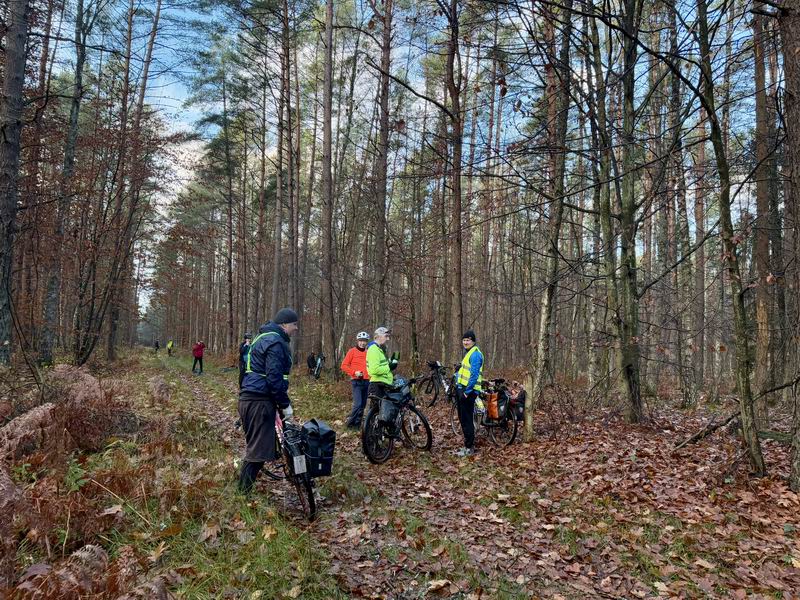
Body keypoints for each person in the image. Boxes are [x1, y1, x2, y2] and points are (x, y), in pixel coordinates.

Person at [237, 308, 298, 494]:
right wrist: (285, 404)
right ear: (284, 324)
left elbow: (244, 370)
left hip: (249, 398)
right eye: (294, 324)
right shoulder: (276, 342)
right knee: (257, 452)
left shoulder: (260, 338)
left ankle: (243, 492)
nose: (296, 328)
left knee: (257, 447)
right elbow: (274, 378)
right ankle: (242, 495)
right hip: (259, 402)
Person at [455, 329, 483, 457]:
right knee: (463, 418)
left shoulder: (475, 354)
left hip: (469, 391)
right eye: (464, 340)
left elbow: (474, 375)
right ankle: (467, 445)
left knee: (467, 420)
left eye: (468, 340)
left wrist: (467, 392)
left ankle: (469, 448)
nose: (465, 342)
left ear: (473, 341)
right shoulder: (468, 353)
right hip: (463, 389)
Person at [341, 332, 371, 429]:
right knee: (357, 404)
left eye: (365, 341)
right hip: (356, 381)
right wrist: (354, 372)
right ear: (357, 341)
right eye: (361, 341)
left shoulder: (368, 352)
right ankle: (349, 423)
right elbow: (344, 366)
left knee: (363, 405)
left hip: (367, 381)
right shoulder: (352, 351)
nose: (362, 343)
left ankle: (357, 425)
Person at [365, 327, 398, 404]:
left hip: (382, 385)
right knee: (376, 413)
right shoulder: (374, 349)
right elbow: (374, 370)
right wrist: (389, 367)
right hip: (377, 386)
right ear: (378, 336)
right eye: (386, 336)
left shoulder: (378, 349)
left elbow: (382, 364)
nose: (388, 339)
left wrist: (391, 360)